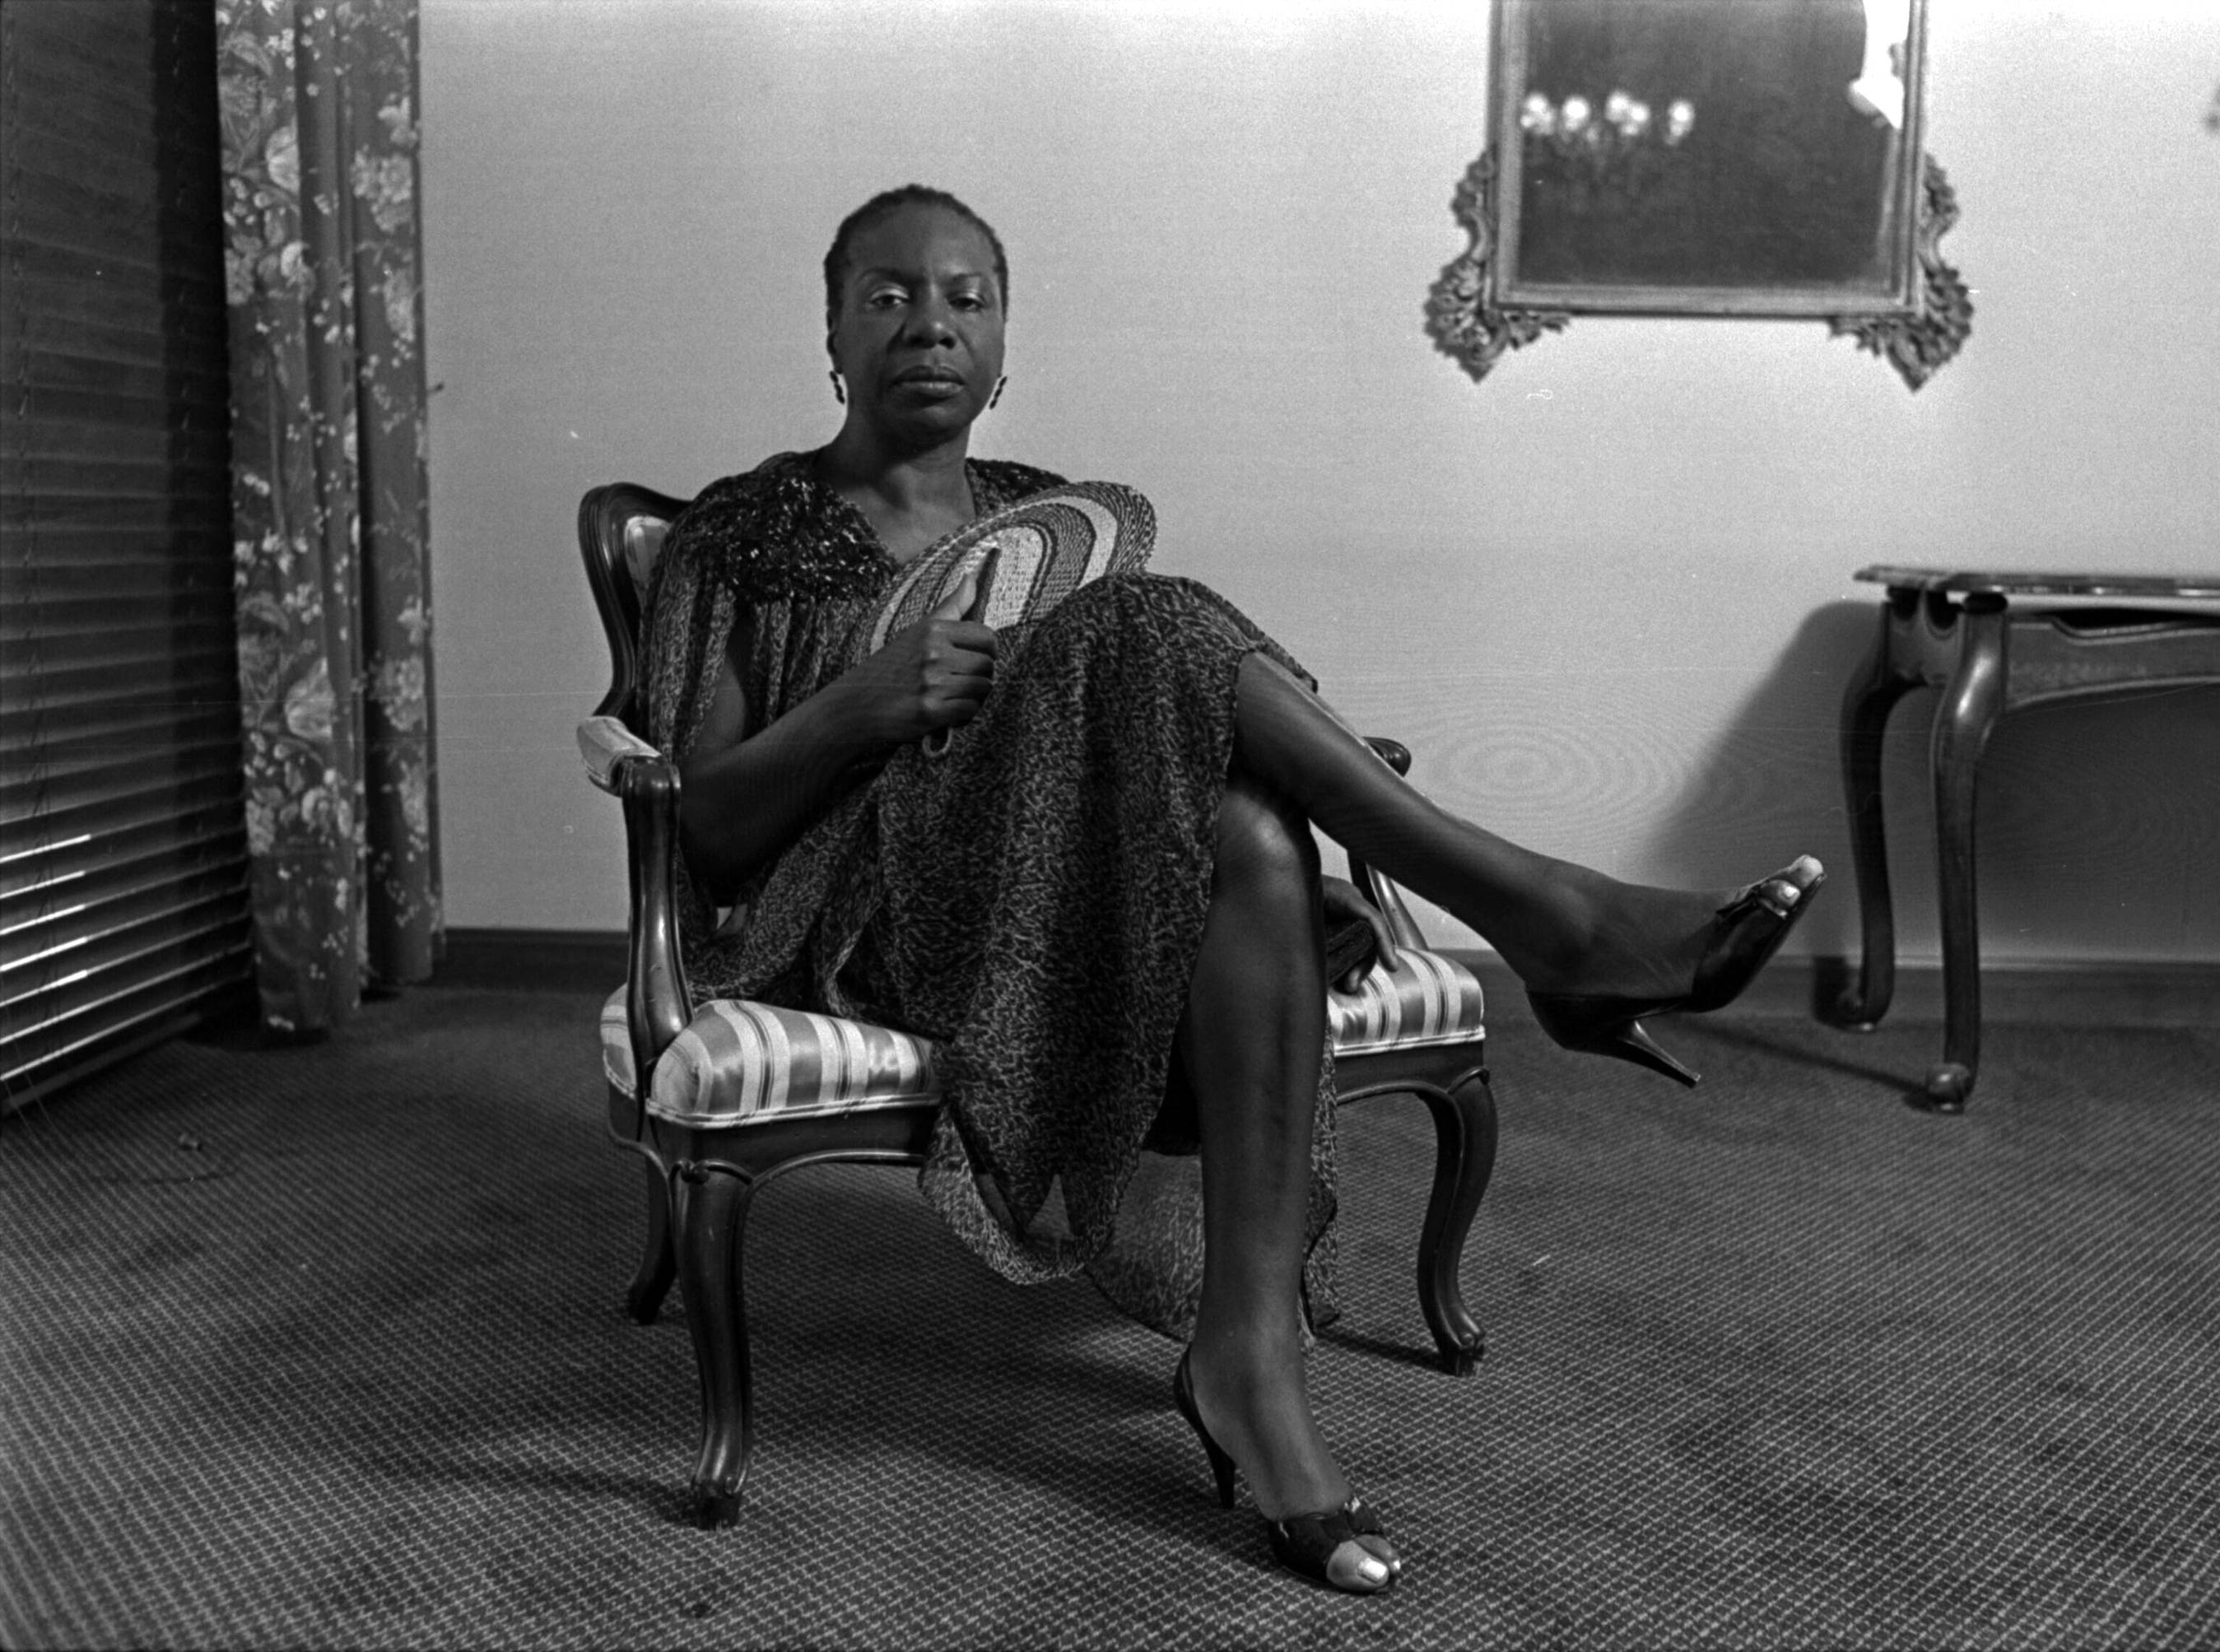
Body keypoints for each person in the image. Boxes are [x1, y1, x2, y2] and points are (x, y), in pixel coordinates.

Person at [637, 184, 1824, 1595]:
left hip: (1064, 892)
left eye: (967, 298)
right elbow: (701, 832)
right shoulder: (743, 534)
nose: (930, 325)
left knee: (1253, 840)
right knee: (1158, 633)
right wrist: (858, 708)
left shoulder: (1047, 522)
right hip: (859, 922)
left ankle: (1249, 1361)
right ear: (832, 330)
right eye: (888, 295)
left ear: (1005, 347)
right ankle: (1548, 920)